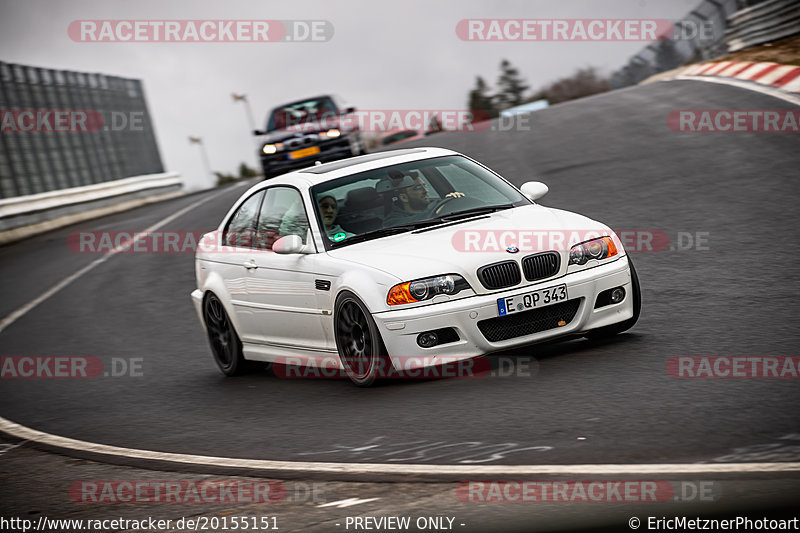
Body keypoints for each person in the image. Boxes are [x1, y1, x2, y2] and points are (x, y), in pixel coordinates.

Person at [383, 174, 464, 227]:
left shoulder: (437, 204)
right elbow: (408, 223)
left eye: (424, 186)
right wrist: (436, 212)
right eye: (418, 188)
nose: (425, 191)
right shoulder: (392, 221)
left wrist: (454, 201)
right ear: (404, 198)